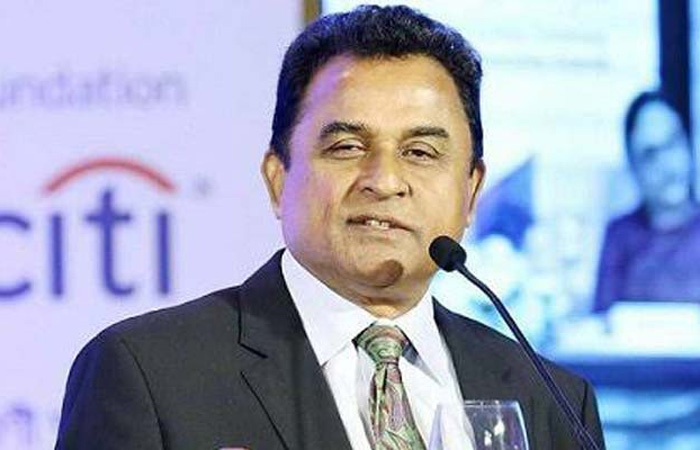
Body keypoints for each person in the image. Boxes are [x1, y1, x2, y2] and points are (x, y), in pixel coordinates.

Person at [56, 5, 605, 449]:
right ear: (278, 179)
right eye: (346, 147)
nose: (384, 180)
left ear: (471, 193)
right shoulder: (150, 375)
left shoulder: (551, 399)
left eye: (420, 151)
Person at [593, 90, 700, 313]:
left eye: (673, 142)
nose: (668, 164)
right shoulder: (620, 236)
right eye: (650, 154)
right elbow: (602, 322)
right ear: (633, 167)